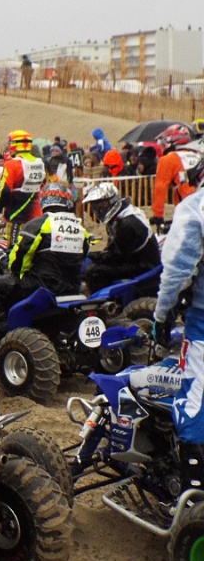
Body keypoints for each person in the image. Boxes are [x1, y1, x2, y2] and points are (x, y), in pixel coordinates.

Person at [152, 159, 204, 493]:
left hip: (202, 329)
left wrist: (160, 316)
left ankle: (194, 501)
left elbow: (177, 269)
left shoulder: (196, 206)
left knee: (193, 409)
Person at [0, 183, 89, 339]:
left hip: (42, 285)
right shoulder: (80, 228)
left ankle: (2, 336)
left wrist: (15, 273)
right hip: (72, 287)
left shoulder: (40, 223)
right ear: (68, 202)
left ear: (44, 201)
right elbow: (82, 258)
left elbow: (19, 259)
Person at [82, 181, 160, 294]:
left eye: (102, 204)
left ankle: (101, 305)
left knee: (94, 271)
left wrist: (93, 256)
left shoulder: (126, 223)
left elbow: (116, 255)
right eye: (96, 206)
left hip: (144, 266)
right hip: (136, 259)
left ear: (112, 200)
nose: (99, 209)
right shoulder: (122, 214)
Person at [0, 129, 45, 245]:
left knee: (13, 249)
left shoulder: (12, 164)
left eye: (10, 142)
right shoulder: (39, 163)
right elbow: (42, 184)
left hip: (16, 214)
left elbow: (5, 190)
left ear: (15, 145)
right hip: (35, 214)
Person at [152, 124, 201, 228]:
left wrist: (158, 215)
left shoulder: (168, 160)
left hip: (190, 208)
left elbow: (160, 188)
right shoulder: (199, 156)